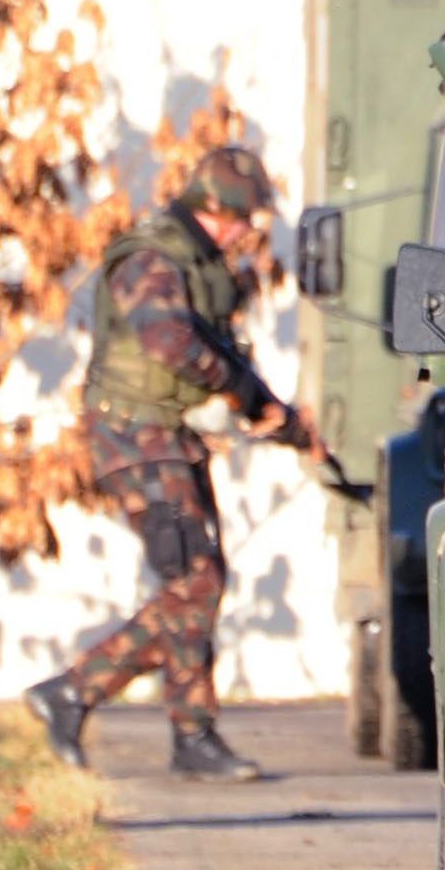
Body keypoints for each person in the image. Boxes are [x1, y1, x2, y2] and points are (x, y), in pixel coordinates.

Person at [22, 148, 319, 782]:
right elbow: (171, 343)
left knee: (201, 582)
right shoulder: (152, 258)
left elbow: (219, 356)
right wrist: (239, 392)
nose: (247, 232)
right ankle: (80, 694)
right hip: (132, 437)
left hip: (167, 438)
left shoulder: (200, 264)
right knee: (193, 583)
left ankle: (186, 734)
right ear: (215, 207)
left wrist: (285, 421)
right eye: (242, 218)